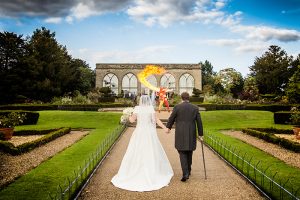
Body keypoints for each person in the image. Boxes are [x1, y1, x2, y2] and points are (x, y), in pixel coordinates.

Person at [111, 95, 174, 191]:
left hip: (139, 132)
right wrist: (165, 128)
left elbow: (132, 120)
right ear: (148, 101)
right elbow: (156, 121)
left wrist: (128, 115)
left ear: (140, 101)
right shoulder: (150, 109)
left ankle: (134, 169)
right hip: (149, 132)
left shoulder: (137, 108)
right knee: (150, 150)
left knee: (136, 150)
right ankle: (151, 170)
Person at [166, 92, 203, 182]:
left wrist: (168, 128)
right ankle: (188, 171)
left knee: (182, 152)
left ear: (181, 98)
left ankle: (185, 173)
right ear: (188, 98)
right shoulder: (195, 108)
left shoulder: (177, 107)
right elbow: (199, 122)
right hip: (191, 132)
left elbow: (172, 118)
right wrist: (201, 134)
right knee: (189, 151)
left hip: (180, 132)